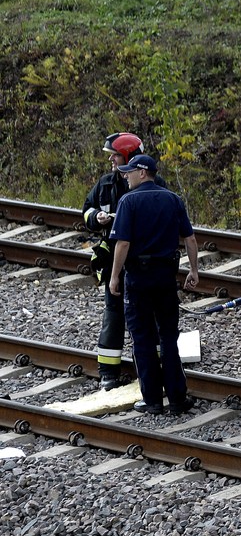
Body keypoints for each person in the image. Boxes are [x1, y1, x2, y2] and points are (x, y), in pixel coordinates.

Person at [107, 155, 200, 415]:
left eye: (129, 172)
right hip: (166, 277)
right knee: (169, 337)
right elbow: (190, 239)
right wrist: (193, 270)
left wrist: (115, 276)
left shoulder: (129, 201)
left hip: (138, 278)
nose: (125, 176)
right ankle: (178, 399)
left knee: (143, 338)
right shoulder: (172, 199)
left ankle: (152, 400)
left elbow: (122, 244)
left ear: (143, 173)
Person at [82, 132, 145, 390]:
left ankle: (151, 368)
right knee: (113, 314)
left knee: (145, 315)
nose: (111, 161)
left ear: (129, 157)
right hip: (113, 263)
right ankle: (108, 371)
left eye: (115, 156)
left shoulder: (149, 182)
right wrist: (96, 217)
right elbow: (86, 208)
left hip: (141, 260)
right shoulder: (106, 183)